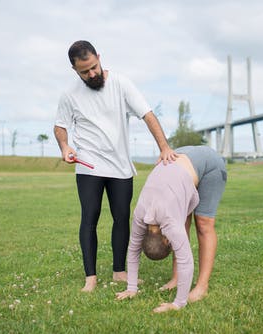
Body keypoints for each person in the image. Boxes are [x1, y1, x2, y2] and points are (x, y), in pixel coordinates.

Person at [54, 40, 177, 292]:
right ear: (74, 70)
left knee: (122, 218)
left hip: (120, 167)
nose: (91, 74)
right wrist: (65, 147)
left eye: (94, 67)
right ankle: (91, 278)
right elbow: (60, 126)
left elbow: (147, 114)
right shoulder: (69, 95)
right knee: (90, 217)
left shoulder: (121, 83)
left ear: (99, 57)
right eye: (84, 72)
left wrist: (164, 147)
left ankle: (119, 272)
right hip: (88, 165)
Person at [116, 145, 227, 312]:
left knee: (203, 222)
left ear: (167, 238)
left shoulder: (169, 222)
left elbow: (186, 260)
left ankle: (202, 287)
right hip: (180, 165)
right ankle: (176, 279)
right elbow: (133, 249)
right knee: (182, 223)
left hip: (208, 163)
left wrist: (178, 304)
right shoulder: (140, 215)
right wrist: (131, 288)